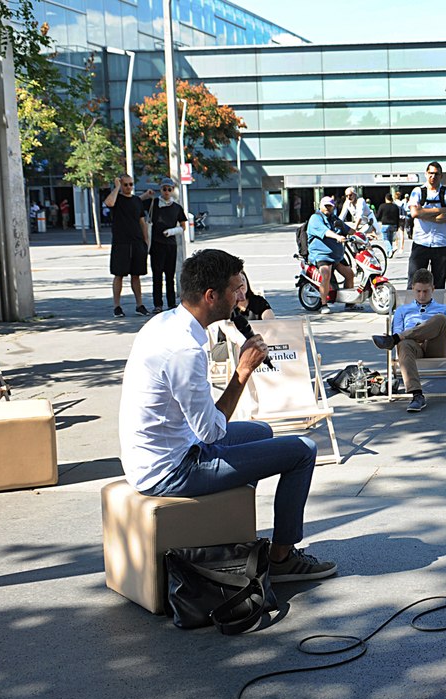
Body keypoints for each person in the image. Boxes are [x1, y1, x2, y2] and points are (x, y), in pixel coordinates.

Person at [119, 249, 335, 582]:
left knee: (261, 430)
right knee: (303, 451)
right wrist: (243, 372)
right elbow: (210, 433)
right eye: (235, 290)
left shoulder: (165, 323)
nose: (241, 296)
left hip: (158, 453)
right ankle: (281, 558)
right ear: (211, 296)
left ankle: (231, 527)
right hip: (170, 470)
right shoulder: (185, 351)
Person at [372, 268, 446, 413]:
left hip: (436, 347)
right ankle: (417, 395)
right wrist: (415, 335)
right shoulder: (402, 310)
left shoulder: (444, 309)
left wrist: (428, 332)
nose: (422, 295)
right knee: (403, 342)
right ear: (412, 289)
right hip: (413, 348)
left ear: (433, 289)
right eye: (418, 291)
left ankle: (394, 340)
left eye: (426, 291)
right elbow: (398, 330)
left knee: (440, 319)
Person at [104, 175, 152, 318]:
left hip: (137, 242)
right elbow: (109, 202)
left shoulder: (137, 201)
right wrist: (117, 187)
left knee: (136, 275)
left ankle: (139, 305)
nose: (129, 187)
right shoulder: (116, 199)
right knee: (119, 275)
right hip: (121, 243)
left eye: (131, 184)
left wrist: (146, 241)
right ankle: (117, 306)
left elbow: (142, 221)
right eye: (126, 185)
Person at [408, 162, 446, 289]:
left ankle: (437, 308)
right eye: (430, 173)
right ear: (426, 174)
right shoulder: (418, 192)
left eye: (436, 174)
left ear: (441, 176)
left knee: (439, 283)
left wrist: (424, 213)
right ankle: (411, 308)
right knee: (414, 281)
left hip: (442, 244)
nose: (433, 177)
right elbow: (414, 213)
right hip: (421, 242)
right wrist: (441, 210)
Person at [306, 195, 356, 314]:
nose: (328, 208)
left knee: (350, 274)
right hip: (322, 255)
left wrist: (364, 235)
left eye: (330, 206)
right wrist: (338, 236)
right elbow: (326, 232)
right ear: (320, 206)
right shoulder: (315, 218)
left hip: (336, 256)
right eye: (326, 206)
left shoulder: (334, 219)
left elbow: (349, 230)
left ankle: (349, 303)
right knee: (326, 275)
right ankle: (324, 304)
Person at [143, 178, 186, 314]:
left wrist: (172, 231)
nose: (167, 192)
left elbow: (183, 226)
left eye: (169, 189)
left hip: (170, 245)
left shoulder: (177, 207)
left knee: (170, 275)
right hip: (156, 244)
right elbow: (137, 204)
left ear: (173, 190)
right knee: (157, 276)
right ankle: (158, 304)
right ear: (160, 190)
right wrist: (146, 195)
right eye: (164, 189)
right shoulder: (154, 203)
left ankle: (171, 302)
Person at [376, 192, 401, 258]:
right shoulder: (395, 207)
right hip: (393, 225)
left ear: (386, 198)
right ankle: (388, 253)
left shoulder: (382, 206)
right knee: (390, 239)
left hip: (385, 224)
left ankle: (390, 250)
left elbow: (378, 216)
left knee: (386, 239)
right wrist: (397, 226)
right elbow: (397, 217)